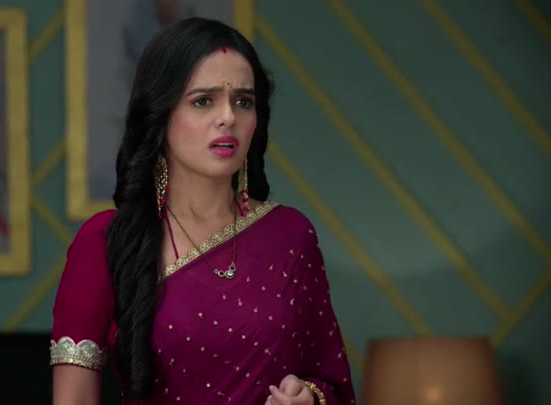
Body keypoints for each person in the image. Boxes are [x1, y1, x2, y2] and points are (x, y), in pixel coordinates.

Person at [50, 17, 356, 405]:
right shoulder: (106, 242)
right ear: (161, 115)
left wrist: (309, 398)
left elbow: (332, 382)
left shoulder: (291, 235)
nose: (228, 117)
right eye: (203, 101)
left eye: (243, 101)